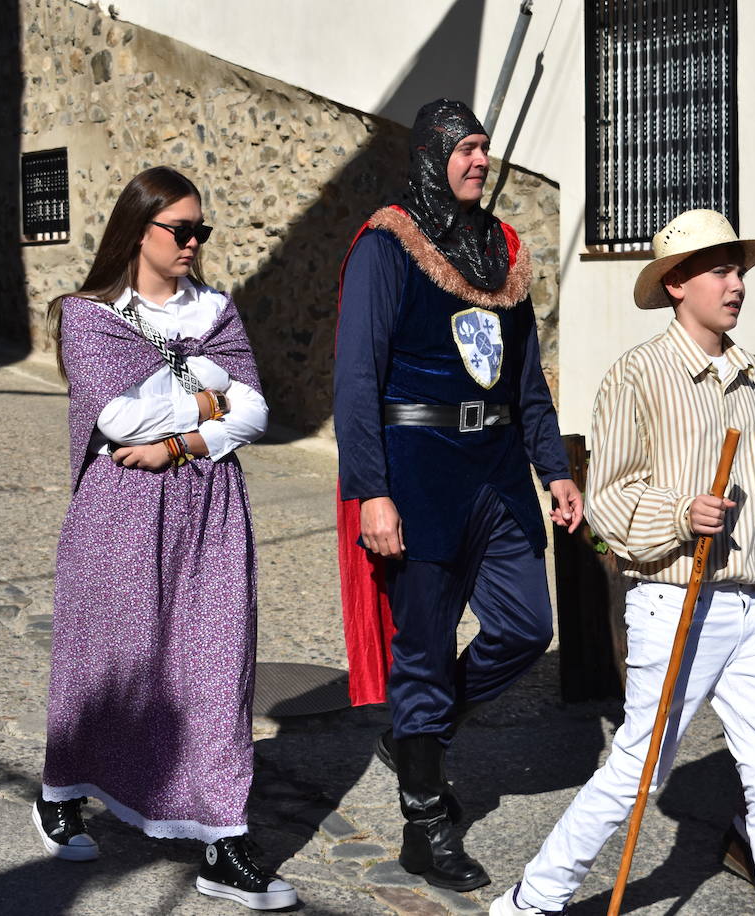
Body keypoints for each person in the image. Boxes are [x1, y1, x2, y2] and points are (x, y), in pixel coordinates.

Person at [491, 209, 755, 916]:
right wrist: (680, 515)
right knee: (640, 770)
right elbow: (609, 498)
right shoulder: (636, 375)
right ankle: (531, 901)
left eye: (739, 270)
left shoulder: (753, 379)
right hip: (679, 599)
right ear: (676, 283)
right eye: (720, 270)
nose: (736, 285)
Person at [333, 99, 582, 893]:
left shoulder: (499, 249)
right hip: (419, 465)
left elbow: (525, 379)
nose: (478, 160)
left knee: (525, 625)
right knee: (423, 648)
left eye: (484, 148)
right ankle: (425, 824)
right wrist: (372, 491)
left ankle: (420, 736)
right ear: (433, 154)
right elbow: (356, 379)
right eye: (465, 149)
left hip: (499, 468)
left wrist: (555, 468)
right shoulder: (388, 244)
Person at [36, 167, 296, 910]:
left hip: (209, 503)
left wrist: (182, 438)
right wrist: (208, 403)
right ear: (137, 230)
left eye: (199, 231)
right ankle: (63, 792)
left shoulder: (215, 310)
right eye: (179, 230)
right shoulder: (88, 315)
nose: (192, 243)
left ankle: (225, 844)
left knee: (217, 668)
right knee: (109, 662)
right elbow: (119, 421)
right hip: (118, 509)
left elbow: (256, 414)